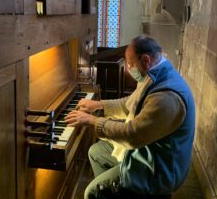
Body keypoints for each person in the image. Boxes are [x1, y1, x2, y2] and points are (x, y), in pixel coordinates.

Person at [65, 36, 195, 199]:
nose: (127, 68)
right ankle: (118, 191)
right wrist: (99, 105)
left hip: (157, 170)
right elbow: (130, 104)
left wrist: (93, 121)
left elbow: (132, 136)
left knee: (92, 192)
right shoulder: (155, 74)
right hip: (147, 152)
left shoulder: (166, 97)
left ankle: (118, 190)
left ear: (146, 60)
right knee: (97, 152)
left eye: (129, 63)